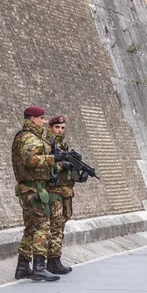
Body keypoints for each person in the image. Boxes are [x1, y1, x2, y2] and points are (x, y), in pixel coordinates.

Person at [11, 107, 60, 282]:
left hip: (31, 189)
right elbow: (29, 160)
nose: (44, 121)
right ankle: (39, 267)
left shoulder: (30, 137)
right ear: (32, 119)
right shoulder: (28, 138)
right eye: (42, 118)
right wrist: (52, 159)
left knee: (31, 228)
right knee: (43, 226)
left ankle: (23, 266)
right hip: (33, 189)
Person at [46, 115, 88, 275]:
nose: (60, 130)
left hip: (66, 192)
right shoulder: (47, 145)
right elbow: (45, 166)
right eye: (57, 127)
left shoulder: (64, 146)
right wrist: (61, 165)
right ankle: (53, 261)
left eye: (63, 128)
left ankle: (54, 259)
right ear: (51, 128)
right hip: (54, 192)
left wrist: (80, 175)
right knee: (55, 226)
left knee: (62, 224)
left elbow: (69, 172)